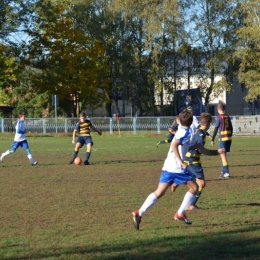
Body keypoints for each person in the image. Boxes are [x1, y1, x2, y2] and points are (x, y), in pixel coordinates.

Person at [132, 110, 199, 230]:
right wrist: (181, 162)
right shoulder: (185, 132)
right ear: (191, 121)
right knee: (194, 188)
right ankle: (180, 213)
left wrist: (195, 146)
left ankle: (139, 212)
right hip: (177, 168)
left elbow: (182, 144)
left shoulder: (182, 131)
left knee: (159, 192)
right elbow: (174, 145)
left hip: (168, 166)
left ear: (179, 121)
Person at [183, 113, 225, 210]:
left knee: (195, 185)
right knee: (201, 184)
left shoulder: (199, 131)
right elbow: (201, 150)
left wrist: (209, 136)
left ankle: (189, 203)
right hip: (193, 161)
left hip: (190, 160)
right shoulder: (201, 134)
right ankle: (191, 205)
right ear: (209, 124)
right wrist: (217, 152)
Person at [210, 101, 233, 178]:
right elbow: (231, 128)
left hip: (223, 138)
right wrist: (230, 135)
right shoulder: (227, 116)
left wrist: (212, 139)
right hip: (229, 138)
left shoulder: (219, 117)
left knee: (222, 155)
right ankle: (223, 172)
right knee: (224, 155)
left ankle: (226, 172)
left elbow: (216, 128)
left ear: (218, 109)